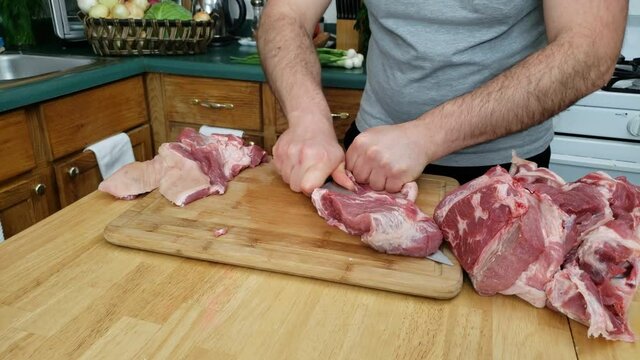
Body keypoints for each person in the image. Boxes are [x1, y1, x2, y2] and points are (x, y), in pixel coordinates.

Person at [256, 0, 628, 194]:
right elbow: (286, 13)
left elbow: (590, 50)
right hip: (369, 159)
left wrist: (427, 135)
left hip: (501, 177)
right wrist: (307, 119)